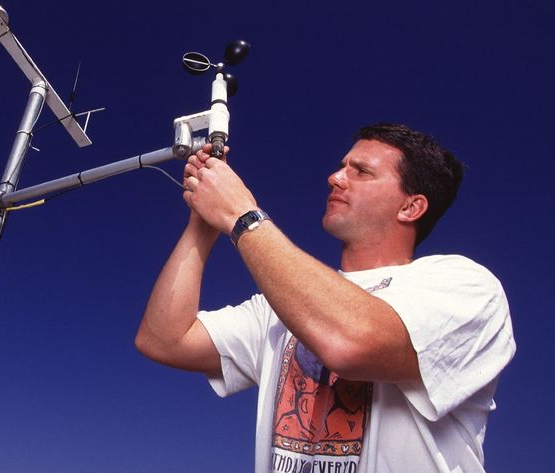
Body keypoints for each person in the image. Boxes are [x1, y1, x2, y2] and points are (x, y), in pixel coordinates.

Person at [134, 123, 515, 473]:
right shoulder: (285, 303)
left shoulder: (465, 286)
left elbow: (352, 344)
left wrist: (241, 215)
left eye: (361, 171)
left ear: (410, 207)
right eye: (342, 166)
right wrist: (205, 221)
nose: (335, 178)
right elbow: (164, 340)